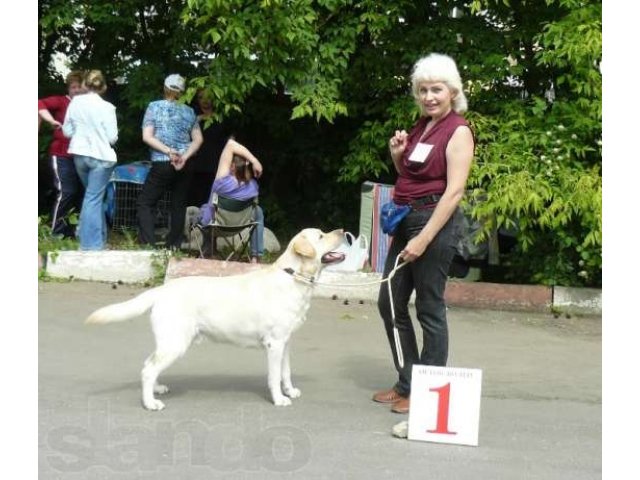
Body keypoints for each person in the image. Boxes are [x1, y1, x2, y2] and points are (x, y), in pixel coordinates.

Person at [372, 53, 475, 414]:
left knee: (429, 308)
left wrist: (424, 237)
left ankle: (428, 392)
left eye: (436, 89)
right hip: (405, 220)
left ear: (452, 91)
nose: (429, 96)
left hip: (434, 223)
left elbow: (454, 191)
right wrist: (398, 155)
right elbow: (410, 176)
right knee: (389, 302)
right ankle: (407, 381)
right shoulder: (421, 126)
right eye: (423, 90)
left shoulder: (458, 130)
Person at [137, 74, 203, 249]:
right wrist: (184, 157)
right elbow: (198, 140)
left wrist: (169, 152)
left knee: (146, 202)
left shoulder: (154, 107)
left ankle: (149, 244)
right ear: (181, 92)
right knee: (178, 204)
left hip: (163, 162)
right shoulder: (190, 111)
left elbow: (147, 137)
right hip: (185, 164)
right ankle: (173, 245)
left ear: (165, 88)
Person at [62, 70, 118, 251]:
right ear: (104, 87)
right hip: (101, 157)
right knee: (93, 198)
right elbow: (112, 138)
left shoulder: (75, 102)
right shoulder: (107, 107)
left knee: (92, 197)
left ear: (85, 85)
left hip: (79, 155)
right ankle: (91, 246)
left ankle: (100, 239)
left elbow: (67, 131)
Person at [38, 70, 85, 238]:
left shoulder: (86, 106)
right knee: (67, 191)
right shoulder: (61, 101)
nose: (76, 90)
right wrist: (51, 121)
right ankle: (56, 233)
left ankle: (70, 232)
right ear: (69, 89)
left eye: (79, 87)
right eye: (73, 87)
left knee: (79, 192)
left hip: (80, 157)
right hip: (61, 155)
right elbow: (39, 104)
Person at [209, 138, 264, 263]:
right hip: (241, 225)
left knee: (206, 210)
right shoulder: (253, 187)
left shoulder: (222, 182)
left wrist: (254, 160)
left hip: (217, 226)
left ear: (232, 166)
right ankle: (256, 257)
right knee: (258, 211)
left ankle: (209, 252)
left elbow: (230, 144)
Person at [186, 88, 232, 207]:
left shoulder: (222, 118)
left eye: (208, 97)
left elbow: (231, 141)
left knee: (213, 199)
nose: (205, 100)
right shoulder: (193, 118)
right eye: (201, 97)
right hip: (196, 165)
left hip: (216, 165)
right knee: (194, 199)